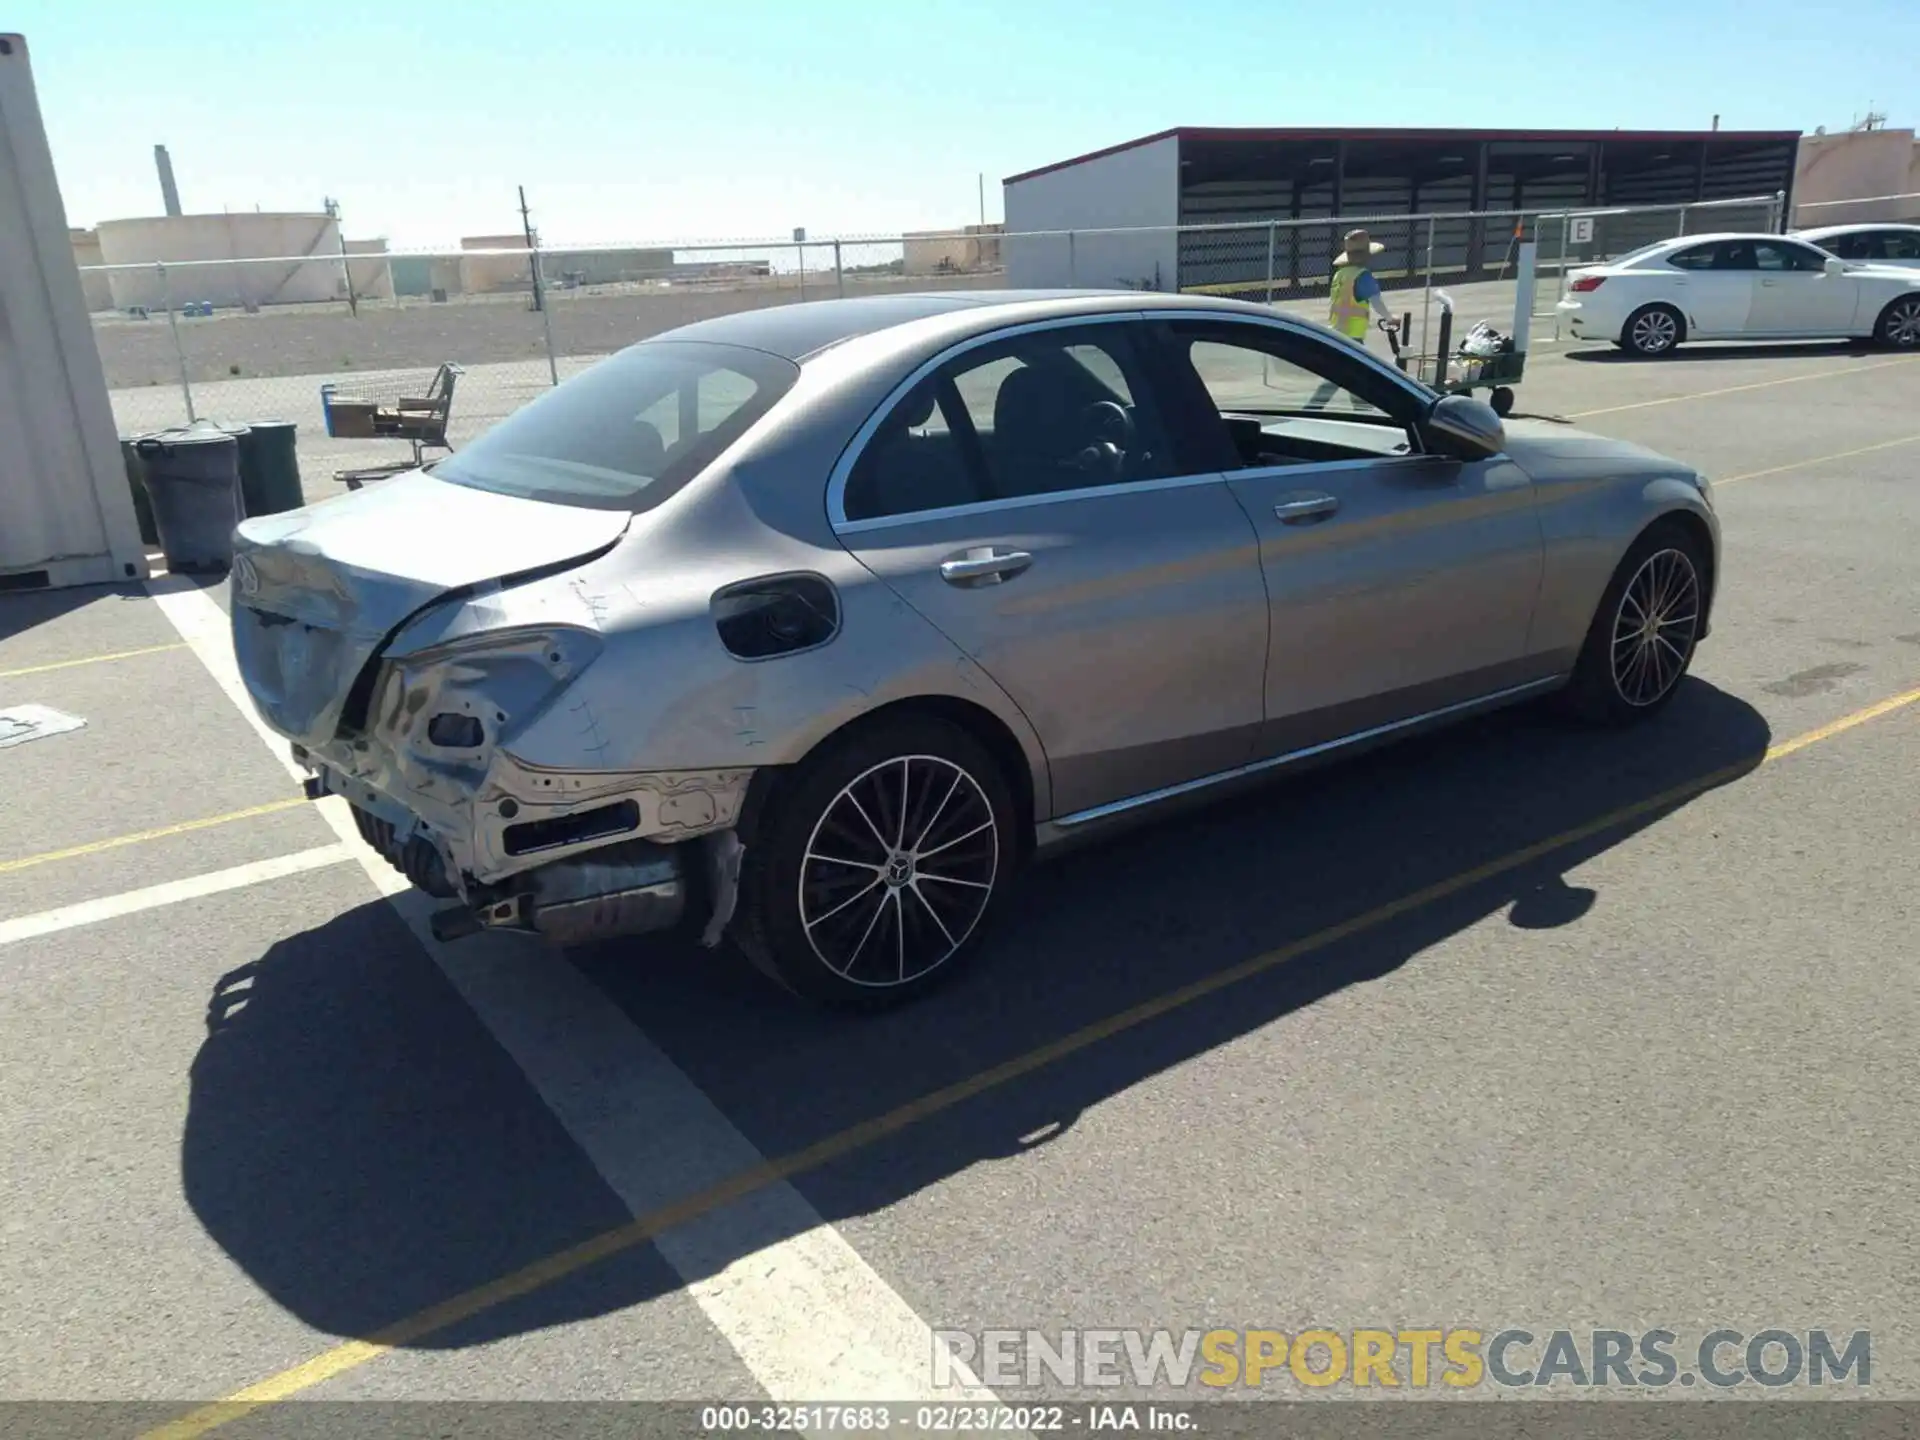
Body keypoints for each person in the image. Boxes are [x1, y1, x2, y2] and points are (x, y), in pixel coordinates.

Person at [1328, 228, 1399, 351]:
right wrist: (1390, 318)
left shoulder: (1339, 274)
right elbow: (1376, 302)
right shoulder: (1362, 276)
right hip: (1353, 335)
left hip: (1336, 332)